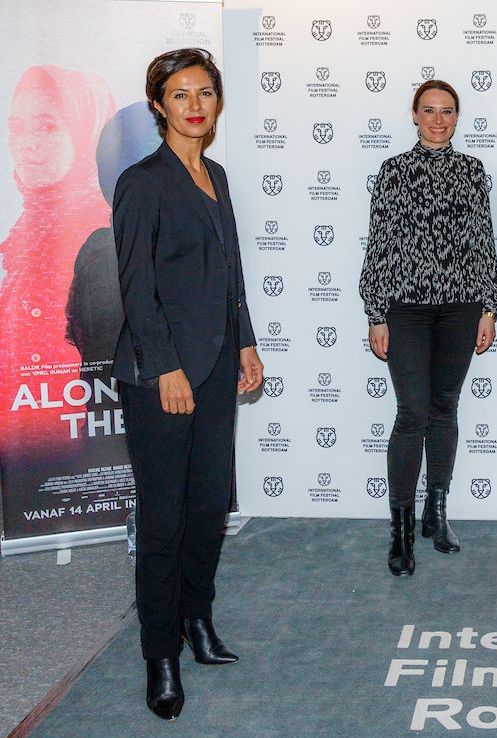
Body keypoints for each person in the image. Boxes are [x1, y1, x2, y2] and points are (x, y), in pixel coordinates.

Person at [112, 48, 263, 721]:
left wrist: (248, 341)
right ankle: (160, 655)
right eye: (180, 94)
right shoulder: (143, 182)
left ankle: (197, 622)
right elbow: (136, 288)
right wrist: (166, 366)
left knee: (209, 511)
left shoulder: (218, 176)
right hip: (161, 377)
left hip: (217, 367)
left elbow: (230, 271)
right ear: (158, 104)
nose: (195, 104)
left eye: (204, 92)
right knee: (165, 520)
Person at [359, 79, 497, 577]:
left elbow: (484, 240)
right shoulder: (393, 172)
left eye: (447, 111)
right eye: (429, 110)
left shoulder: (472, 171)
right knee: (412, 412)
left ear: (457, 117)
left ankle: (436, 516)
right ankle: (399, 531)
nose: (438, 119)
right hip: (406, 308)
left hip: (461, 307)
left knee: (445, 408)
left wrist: (489, 306)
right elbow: (378, 244)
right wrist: (376, 312)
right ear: (415, 115)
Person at [0, 66, 114, 451]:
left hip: (77, 438)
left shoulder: (100, 236)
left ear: (85, 132)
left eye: (47, 127)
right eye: (17, 127)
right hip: (32, 435)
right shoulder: (28, 232)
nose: (26, 143)